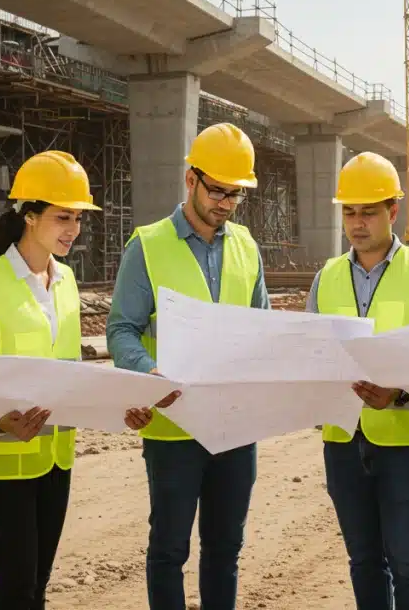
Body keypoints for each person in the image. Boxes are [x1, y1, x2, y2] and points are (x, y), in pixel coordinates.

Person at [106, 122, 270, 610]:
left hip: (234, 428)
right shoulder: (148, 246)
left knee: (225, 549)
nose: (224, 202)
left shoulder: (246, 247)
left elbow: (259, 327)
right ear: (190, 180)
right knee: (169, 550)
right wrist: (149, 373)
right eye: (216, 190)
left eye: (234, 194)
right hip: (173, 428)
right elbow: (121, 330)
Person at [305, 151, 409, 610]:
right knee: (363, 560)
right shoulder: (325, 277)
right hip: (343, 440)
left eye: (368, 211)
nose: (357, 222)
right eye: (349, 211)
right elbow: (309, 353)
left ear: (393, 211)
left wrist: (399, 393)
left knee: (408, 562)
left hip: (406, 444)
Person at [0, 150, 101, 610]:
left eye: (77, 218)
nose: (73, 229)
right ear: (30, 216)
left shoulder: (68, 281)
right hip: (2, 460)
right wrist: (1, 424)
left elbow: (70, 369)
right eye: (63, 217)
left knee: (37, 582)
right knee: (16, 583)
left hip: (56, 455)